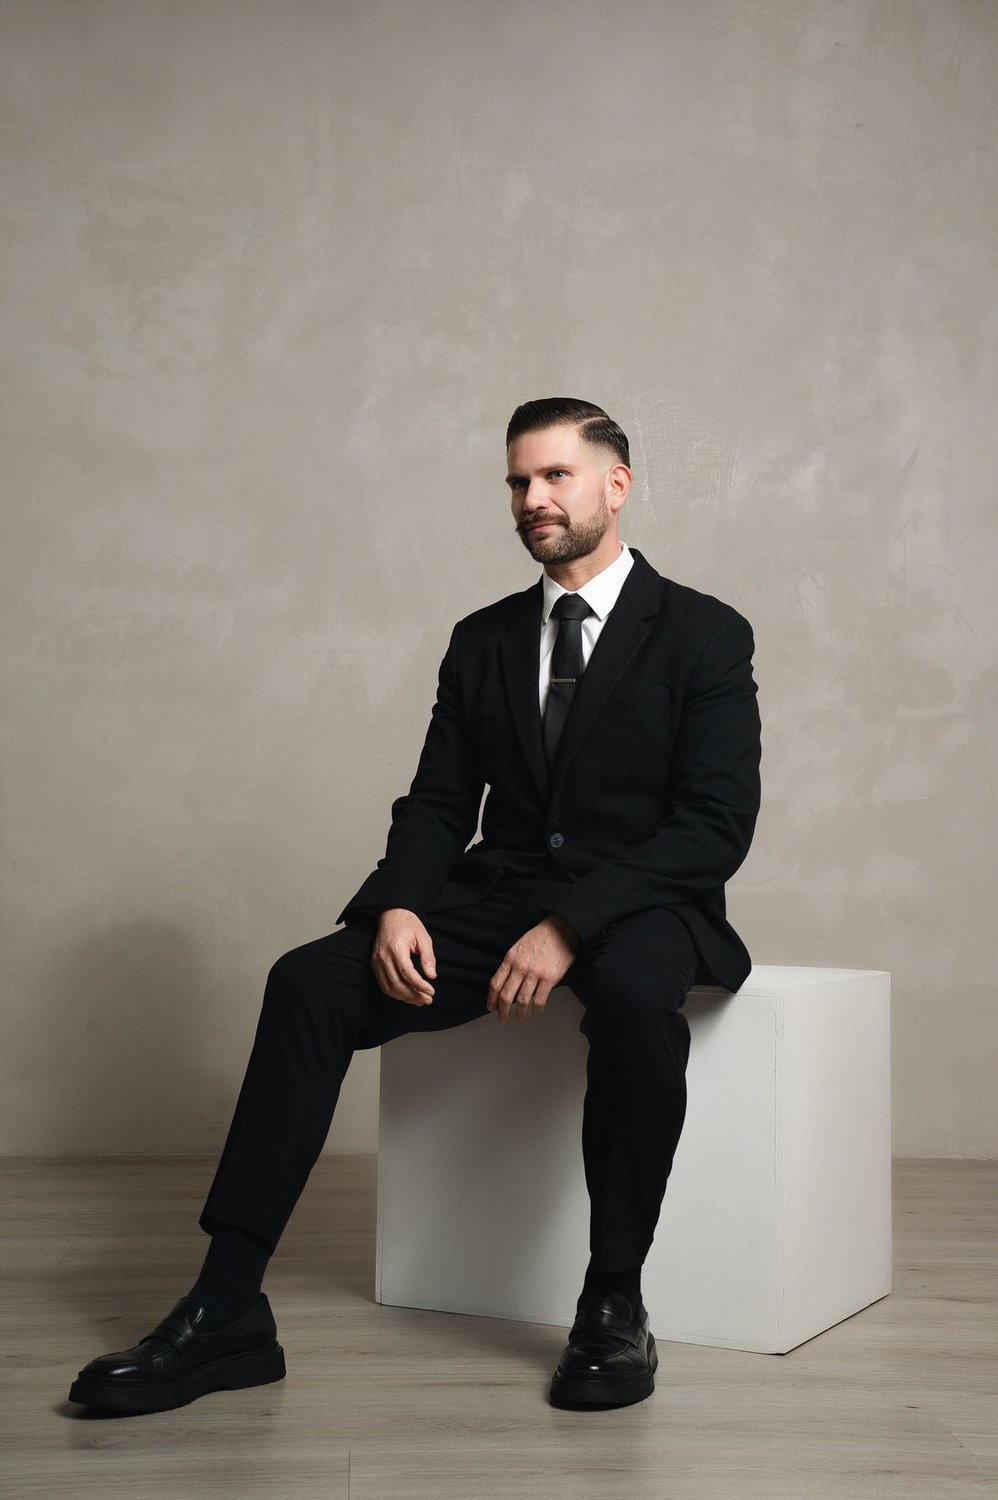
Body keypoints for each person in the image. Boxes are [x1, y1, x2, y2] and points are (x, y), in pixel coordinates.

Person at [68, 397, 762, 1415]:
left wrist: (572, 925)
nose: (531, 499)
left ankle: (613, 1302)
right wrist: (396, 905)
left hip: (642, 900)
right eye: (517, 482)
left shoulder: (703, 632)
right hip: (500, 892)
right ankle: (226, 1308)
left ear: (616, 484)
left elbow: (713, 824)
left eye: (555, 476)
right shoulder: (482, 639)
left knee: (630, 995)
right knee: (307, 983)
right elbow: (439, 803)